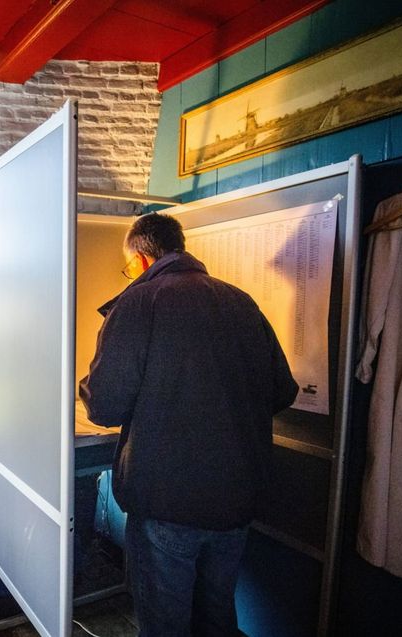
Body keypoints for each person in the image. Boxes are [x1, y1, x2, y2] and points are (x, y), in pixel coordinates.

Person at [79, 213, 298, 637]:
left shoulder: (137, 303)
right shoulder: (241, 300)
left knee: (165, 625)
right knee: (216, 618)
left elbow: (104, 406)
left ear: (142, 258)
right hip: (237, 497)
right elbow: (282, 391)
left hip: (169, 500)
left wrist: (89, 384)